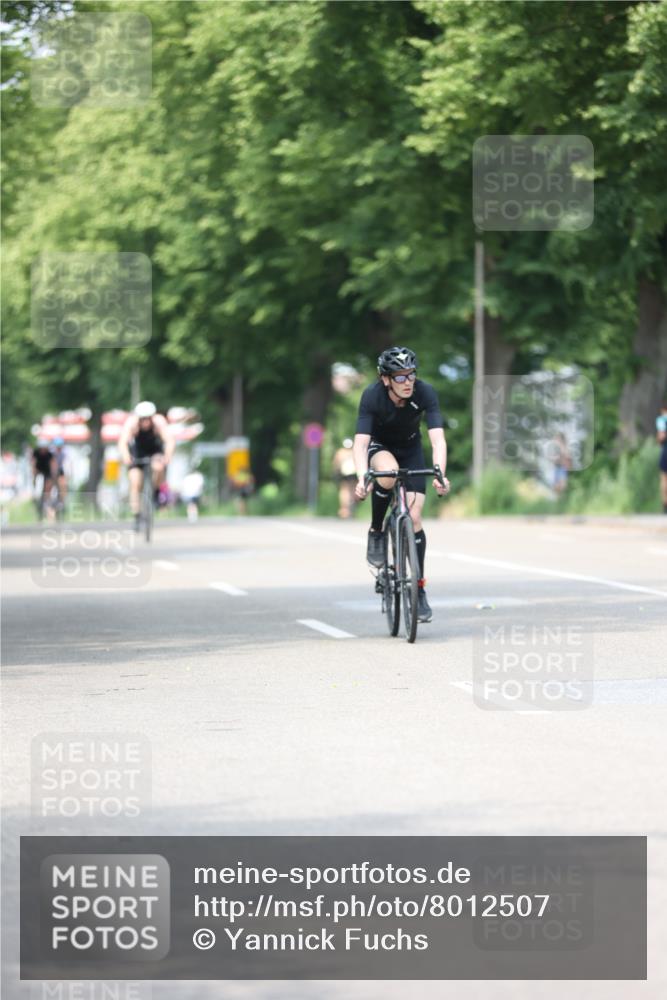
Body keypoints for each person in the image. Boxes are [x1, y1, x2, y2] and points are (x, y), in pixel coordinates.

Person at [353, 346, 450, 623]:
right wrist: (362, 476)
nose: (407, 382)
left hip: (411, 448)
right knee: (389, 473)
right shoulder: (372, 396)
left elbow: (437, 440)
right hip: (380, 447)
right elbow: (360, 443)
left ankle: (418, 588)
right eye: (399, 377)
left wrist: (440, 474)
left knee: (415, 515)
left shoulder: (425, 392)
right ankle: (376, 530)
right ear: (385, 379)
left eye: (410, 375)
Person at [118, 402, 174, 529]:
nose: (145, 422)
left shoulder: (159, 422)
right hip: (137, 452)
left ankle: (154, 491)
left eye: (148, 418)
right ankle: (137, 515)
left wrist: (167, 456)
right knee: (135, 482)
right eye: (142, 419)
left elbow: (170, 440)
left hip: (155, 451)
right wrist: (126, 457)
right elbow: (122, 442)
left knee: (158, 468)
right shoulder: (131, 423)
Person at [332, 437, 358, 519]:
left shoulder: (340, 452)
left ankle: (344, 509)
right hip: (354, 474)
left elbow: (336, 464)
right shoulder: (355, 451)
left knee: (344, 491)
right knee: (353, 490)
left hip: (344, 474)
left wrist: (335, 473)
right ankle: (350, 509)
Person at [31, 438, 55, 518]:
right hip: (38, 471)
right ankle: (35, 495)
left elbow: (52, 464)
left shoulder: (49, 454)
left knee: (48, 485)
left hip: (47, 472)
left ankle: (48, 498)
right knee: (37, 482)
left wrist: (53, 474)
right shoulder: (36, 453)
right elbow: (33, 463)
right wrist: (34, 473)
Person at [551, 432, 571, 496]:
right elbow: (554, 460)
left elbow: (568, 456)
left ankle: (562, 497)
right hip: (557, 468)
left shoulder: (564, 447)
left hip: (563, 468)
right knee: (556, 487)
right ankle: (559, 498)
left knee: (562, 486)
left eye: (557, 439)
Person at [656, 401, 667, 513]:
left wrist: (659, 441)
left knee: (664, 478)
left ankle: (665, 503)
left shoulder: (662, 420)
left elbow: (661, 436)